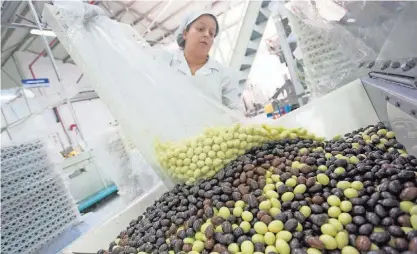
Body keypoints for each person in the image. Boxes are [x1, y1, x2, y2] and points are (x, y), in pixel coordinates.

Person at [153, 11, 242, 111]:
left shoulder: (224, 75)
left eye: (211, 33)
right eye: (200, 29)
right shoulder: (162, 59)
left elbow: (235, 112)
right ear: (185, 33)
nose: (207, 35)